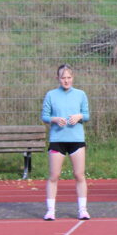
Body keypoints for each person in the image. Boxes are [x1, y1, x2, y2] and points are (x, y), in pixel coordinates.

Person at [41, 63, 90, 220]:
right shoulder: (51, 95)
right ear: (58, 78)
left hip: (76, 140)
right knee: (54, 175)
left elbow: (87, 115)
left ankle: (82, 209)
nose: (66, 81)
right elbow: (45, 116)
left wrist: (79, 116)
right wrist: (54, 119)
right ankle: (50, 210)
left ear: (73, 78)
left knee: (79, 174)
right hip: (58, 140)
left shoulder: (81, 94)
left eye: (69, 77)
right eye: (63, 78)